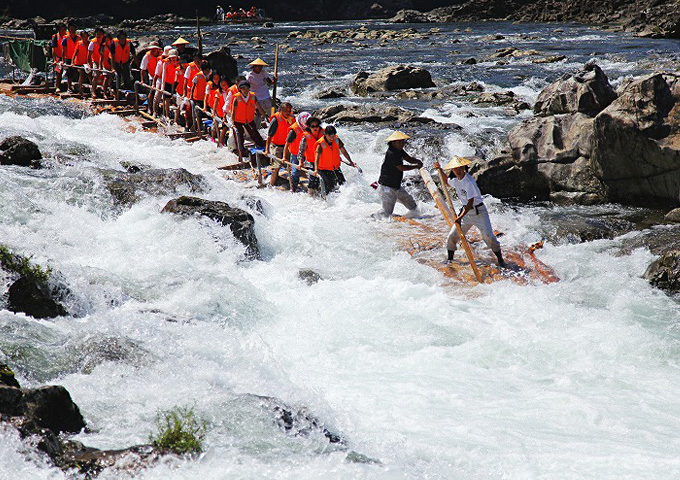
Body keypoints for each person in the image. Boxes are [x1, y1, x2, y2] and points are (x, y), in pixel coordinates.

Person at [434, 157, 506, 267]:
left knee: (489, 237)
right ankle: (450, 260)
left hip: (479, 212)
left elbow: (470, 202)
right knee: (452, 236)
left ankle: (500, 260)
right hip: (466, 213)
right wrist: (440, 169)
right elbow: (447, 182)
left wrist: (460, 217)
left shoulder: (468, 181)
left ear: (464, 168)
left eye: (459, 168)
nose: (457, 171)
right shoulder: (457, 180)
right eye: (455, 169)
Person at [377, 131, 423, 217]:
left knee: (412, 206)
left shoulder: (399, 150)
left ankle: (415, 220)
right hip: (387, 187)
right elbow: (401, 168)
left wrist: (417, 161)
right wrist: (416, 167)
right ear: (394, 142)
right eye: (401, 141)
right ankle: (371, 221)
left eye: (403, 141)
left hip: (396, 186)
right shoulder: (392, 153)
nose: (403, 143)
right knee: (386, 213)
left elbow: (408, 159)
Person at [312, 125, 357, 194]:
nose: (331, 138)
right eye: (330, 136)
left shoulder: (337, 139)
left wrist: (351, 162)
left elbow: (344, 151)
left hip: (335, 167)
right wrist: (316, 170)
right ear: (325, 134)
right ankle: (326, 201)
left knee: (344, 185)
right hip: (324, 169)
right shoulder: (320, 144)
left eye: (333, 136)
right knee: (329, 187)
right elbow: (317, 158)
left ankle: (344, 199)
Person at [231, 80, 265, 156]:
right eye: (243, 89)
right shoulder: (237, 98)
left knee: (254, 133)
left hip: (249, 119)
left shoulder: (253, 96)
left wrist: (265, 116)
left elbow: (259, 107)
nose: (245, 90)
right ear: (240, 89)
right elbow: (233, 111)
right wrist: (233, 123)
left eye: (247, 88)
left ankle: (262, 146)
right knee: (239, 135)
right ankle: (240, 151)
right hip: (238, 120)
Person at [265, 102, 294, 187]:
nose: (287, 112)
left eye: (289, 110)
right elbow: (269, 136)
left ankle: (292, 185)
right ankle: (271, 185)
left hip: (287, 146)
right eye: (285, 111)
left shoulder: (291, 118)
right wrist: (267, 150)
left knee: (290, 165)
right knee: (276, 168)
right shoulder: (276, 119)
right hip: (276, 146)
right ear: (280, 110)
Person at [245, 58, 276, 127]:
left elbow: (269, 82)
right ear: (254, 67)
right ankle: (256, 129)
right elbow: (246, 87)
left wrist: (274, 81)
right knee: (258, 114)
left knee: (271, 112)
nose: (260, 68)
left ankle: (274, 127)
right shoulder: (250, 76)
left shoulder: (263, 72)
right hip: (257, 97)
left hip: (266, 95)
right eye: (258, 66)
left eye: (261, 66)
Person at [283, 111, 309, 193]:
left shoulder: (310, 128)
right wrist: (284, 157)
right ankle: (293, 188)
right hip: (296, 153)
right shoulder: (294, 130)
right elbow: (287, 144)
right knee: (295, 171)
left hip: (307, 152)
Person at [71, 30, 90, 95]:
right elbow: (75, 53)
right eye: (84, 36)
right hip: (79, 62)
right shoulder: (79, 43)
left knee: (90, 75)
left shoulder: (89, 43)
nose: (85, 38)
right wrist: (72, 61)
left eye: (86, 36)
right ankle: (80, 90)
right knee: (81, 75)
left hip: (87, 63)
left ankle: (93, 89)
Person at [87, 28, 105, 98]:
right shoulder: (93, 42)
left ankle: (105, 91)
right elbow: (89, 54)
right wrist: (89, 63)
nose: (99, 35)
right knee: (96, 75)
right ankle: (93, 91)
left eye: (100, 34)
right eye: (97, 34)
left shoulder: (105, 41)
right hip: (96, 60)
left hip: (104, 60)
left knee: (107, 76)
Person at [61, 23, 78, 92]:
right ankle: (69, 87)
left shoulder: (78, 38)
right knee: (69, 74)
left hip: (77, 58)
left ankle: (77, 87)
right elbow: (63, 50)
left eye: (73, 29)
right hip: (68, 58)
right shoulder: (66, 38)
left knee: (77, 73)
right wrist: (63, 60)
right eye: (71, 30)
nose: (72, 31)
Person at [51, 23, 67, 91]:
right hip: (58, 56)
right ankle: (57, 86)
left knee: (70, 71)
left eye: (64, 30)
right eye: (61, 30)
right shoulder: (55, 37)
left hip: (66, 56)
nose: (63, 31)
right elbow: (53, 49)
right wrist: (55, 59)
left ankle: (69, 86)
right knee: (59, 71)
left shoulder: (67, 36)